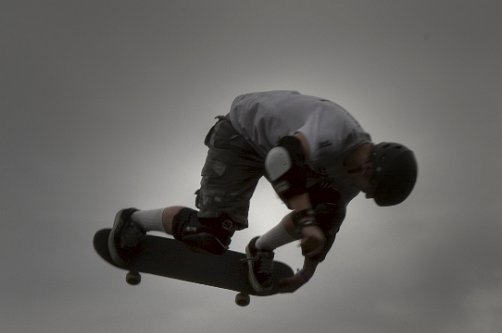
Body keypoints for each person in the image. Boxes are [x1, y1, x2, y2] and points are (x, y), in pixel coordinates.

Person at [108, 90, 417, 294]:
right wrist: (307, 222)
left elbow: (329, 222)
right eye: (370, 192)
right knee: (210, 235)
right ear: (369, 173)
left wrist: (306, 273)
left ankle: (261, 249)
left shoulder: (349, 181)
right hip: (242, 134)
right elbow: (281, 160)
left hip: (284, 153)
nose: (363, 195)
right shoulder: (334, 129)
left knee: (325, 207)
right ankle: (134, 221)